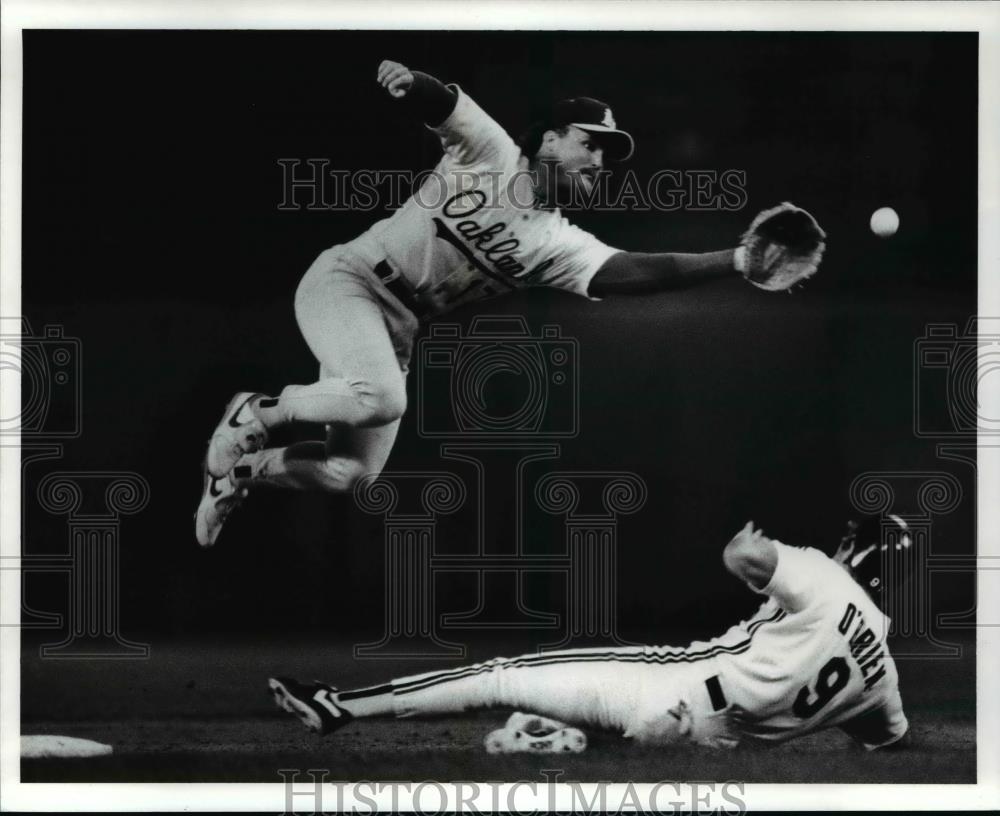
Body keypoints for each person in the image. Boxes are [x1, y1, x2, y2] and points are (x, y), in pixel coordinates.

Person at [195, 60, 824, 548]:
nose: (600, 159)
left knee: (350, 475)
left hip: (396, 328)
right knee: (382, 399)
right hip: (349, 281)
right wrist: (409, 81)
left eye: (608, 152)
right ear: (549, 139)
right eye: (591, 142)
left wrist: (734, 261)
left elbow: (633, 271)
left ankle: (241, 474)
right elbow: (444, 104)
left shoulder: (557, 241)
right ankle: (257, 410)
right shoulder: (491, 152)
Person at [268, 515, 912, 753]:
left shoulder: (826, 578)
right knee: (561, 704)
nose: (842, 542)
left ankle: (339, 706)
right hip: (707, 746)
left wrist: (748, 543)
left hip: (670, 687)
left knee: (498, 675)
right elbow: (889, 740)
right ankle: (556, 737)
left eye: (853, 539)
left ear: (857, 554)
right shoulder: (884, 675)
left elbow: (744, 558)